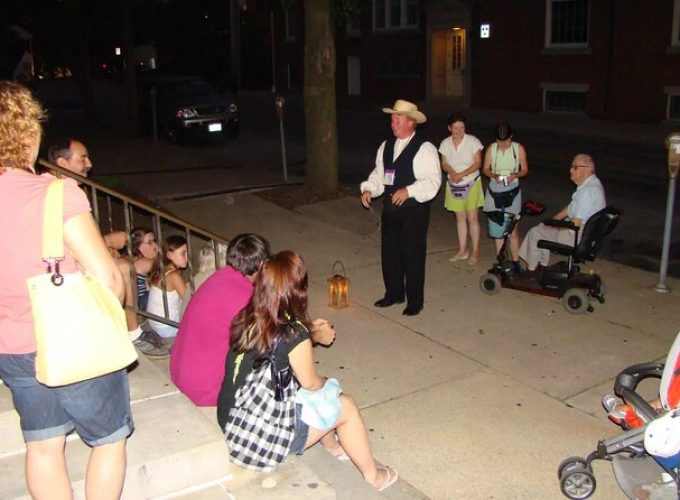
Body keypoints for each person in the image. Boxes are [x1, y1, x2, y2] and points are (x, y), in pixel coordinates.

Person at [0, 81, 133, 498]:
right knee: (110, 440)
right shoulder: (55, 193)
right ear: (29, 133)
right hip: (69, 339)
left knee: (42, 446)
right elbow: (109, 278)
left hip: (12, 346)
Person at [216, 251, 399, 491]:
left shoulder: (248, 316)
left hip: (230, 418)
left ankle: (333, 447)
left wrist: (309, 331)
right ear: (297, 290)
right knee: (344, 404)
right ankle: (374, 477)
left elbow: (277, 341)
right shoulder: (294, 334)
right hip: (258, 438)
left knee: (307, 395)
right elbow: (311, 382)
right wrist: (328, 382)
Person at [360, 99, 441, 316]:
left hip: (414, 211)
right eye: (392, 118)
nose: (392, 122)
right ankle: (394, 294)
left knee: (412, 255)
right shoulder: (386, 146)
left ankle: (415, 301)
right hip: (391, 210)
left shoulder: (425, 149)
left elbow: (433, 182)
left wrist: (409, 191)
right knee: (390, 253)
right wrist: (369, 189)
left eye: (397, 118)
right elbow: (379, 175)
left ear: (411, 122)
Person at [518, 154, 605, 271]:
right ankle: (541, 265)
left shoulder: (587, 193)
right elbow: (571, 207)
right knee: (543, 227)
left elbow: (575, 224)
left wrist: (556, 227)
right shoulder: (593, 184)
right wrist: (554, 220)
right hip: (586, 234)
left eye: (575, 167)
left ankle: (532, 269)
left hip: (576, 236)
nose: (571, 170)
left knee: (535, 232)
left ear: (588, 169)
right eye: (571, 166)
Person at [482, 122, 529, 273]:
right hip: (494, 190)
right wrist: (494, 175)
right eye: (499, 141)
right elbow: (485, 169)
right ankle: (501, 260)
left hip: (512, 190)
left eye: (506, 141)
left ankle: (516, 261)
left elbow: (525, 170)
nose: (503, 144)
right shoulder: (492, 148)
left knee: (512, 228)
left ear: (511, 138)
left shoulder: (518, 148)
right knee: (497, 227)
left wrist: (514, 174)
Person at [438, 113, 484, 265]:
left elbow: (478, 163)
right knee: (460, 219)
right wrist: (452, 173)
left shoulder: (473, 141)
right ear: (449, 128)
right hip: (454, 184)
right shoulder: (445, 143)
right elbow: (444, 163)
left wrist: (462, 174)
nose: (459, 131)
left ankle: (475, 250)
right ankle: (462, 250)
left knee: (472, 218)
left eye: (462, 127)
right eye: (455, 128)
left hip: (471, 182)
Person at [146, 235, 188, 339]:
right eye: (183, 253)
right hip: (167, 328)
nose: (187, 257)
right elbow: (189, 301)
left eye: (187, 252)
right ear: (169, 255)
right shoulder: (174, 276)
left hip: (155, 323)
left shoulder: (163, 269)